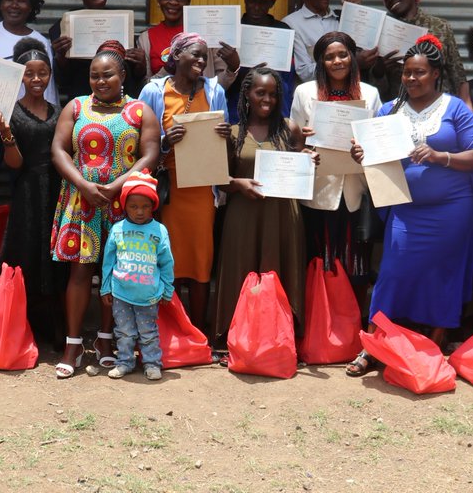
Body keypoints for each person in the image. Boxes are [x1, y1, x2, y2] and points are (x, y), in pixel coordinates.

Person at [347, 35, 473, 372]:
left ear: (436, 74)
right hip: (406, 210)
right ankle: (372, 346)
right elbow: (377, 160)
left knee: (444, 277)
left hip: (452, 210)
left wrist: (442, 157)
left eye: (419, 73)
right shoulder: (388, 110)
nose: (411, 79)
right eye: (407, 73)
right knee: (392, 275)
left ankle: (431, 350)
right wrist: (361, 156)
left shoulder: (454, 108)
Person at [50, 41, 160, 378]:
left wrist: (118, 187)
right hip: (81, 201)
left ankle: (105, 339)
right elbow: (58, 149)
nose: (100, 81)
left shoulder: (140, 111)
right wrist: (83, 185)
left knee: (117, 273)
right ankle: (73, 344)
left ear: (122, 75)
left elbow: (150, 154)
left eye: (107, 75)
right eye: (94, 75)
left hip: (123, 204)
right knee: (80, 272)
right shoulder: (76, 107)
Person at [139, 32, 231, 334]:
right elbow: (140, 139)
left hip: (202, 188)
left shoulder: (214, 91)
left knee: (201, 260)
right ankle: (171, 330)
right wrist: (166, 142)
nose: (202, 61)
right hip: (168, 189)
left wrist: (224, 136)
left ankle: (197, 331)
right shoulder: (154, 91)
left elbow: (224, 138)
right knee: (170, 260)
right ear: (177, 56)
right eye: (196, 54)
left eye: (205, 56)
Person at [290, 31, 381, 319]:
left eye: (343, 54)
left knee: (356, 266)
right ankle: (320, 330)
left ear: (353, 57)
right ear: (320, 62)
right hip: (318, 190)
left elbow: (378, 141)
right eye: (329, 57)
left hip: (355, 189)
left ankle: (351, 331)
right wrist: (304, 151)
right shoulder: (304, 92)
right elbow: (295, 141)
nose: (337, 61)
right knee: (319, 263)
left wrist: (366, 151)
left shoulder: (370, 93)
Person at [213, 67, 309, 340]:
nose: (267, 99)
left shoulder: (289, 128)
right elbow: (220, 180)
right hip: (243, 213)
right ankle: (234, 338)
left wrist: (309, 161)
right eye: (260, 93)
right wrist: (239, 184)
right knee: (240, 271)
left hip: (281, 215)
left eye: (273, 94)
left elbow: (301, 169)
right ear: (247, 95)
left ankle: (279, 338)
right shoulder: (232, 132)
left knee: (278, 270)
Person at [0, 38, 67, 347]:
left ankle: (57, 326)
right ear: (19, 77)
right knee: (25, 254)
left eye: (43, 73)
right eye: (29, 73)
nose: (36, 79)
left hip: (56, 191)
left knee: (54, 257)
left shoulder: (59, 109)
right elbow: (15, 164)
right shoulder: (11, 113)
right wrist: (7, 135)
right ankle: (19, 328)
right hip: (26, 194)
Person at [101, 170, 174, 381]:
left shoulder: (159, 231)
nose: (139, 211)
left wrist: (168, 289)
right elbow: (108, 262)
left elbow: (167, 262)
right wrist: (106, 287)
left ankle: (151, 363)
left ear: (153, 206)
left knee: (148, 332)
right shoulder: (117, 229)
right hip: (121, 293)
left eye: (145, 206)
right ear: (124, 206)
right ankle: (124, 362)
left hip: (148, 295)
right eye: (133, 206)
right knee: (124, 331)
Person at [49, 0, 143, 101]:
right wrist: (61, 56)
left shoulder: (121, 22)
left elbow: (135, 74)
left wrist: (140, 63)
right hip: (83, 100)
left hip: (119, 102)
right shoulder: (64, 26)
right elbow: (62, 80)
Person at [371, 0, 468, 105]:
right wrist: (379, 72)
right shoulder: (381, 32)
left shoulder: (440, 26)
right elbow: (376, 91)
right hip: (401, 108)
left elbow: (457, 73)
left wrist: (465, 107)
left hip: (440, 106)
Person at [135, 0, 229, 82]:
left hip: (201, 98)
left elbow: (221, 79)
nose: (173, 2)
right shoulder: (146, 38)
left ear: (188, 2)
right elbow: (146, 86)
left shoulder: (204, 32)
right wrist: (168, 69)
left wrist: (233, 67)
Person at [227, 0, 296, 121]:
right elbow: (222, 79)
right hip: (238, 106)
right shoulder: (233, 30)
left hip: (274, 106)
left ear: (272, 3)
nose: (256, 7)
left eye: (263, 2)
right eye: (252, 0)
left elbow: (288, 77)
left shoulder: (283, 31)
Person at [0, 0, 58, 104]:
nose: (14, 5)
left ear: (31, 7)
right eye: (9, 0)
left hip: (27, 121)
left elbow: (48, 90)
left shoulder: (41, 42)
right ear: (0, 3)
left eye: (22, 1)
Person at [282, 0, 339, 83]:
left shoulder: (339, 19)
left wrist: (355, 10)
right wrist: (348, 63)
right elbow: (304, 73)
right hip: (312, 97)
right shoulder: (291, 24)